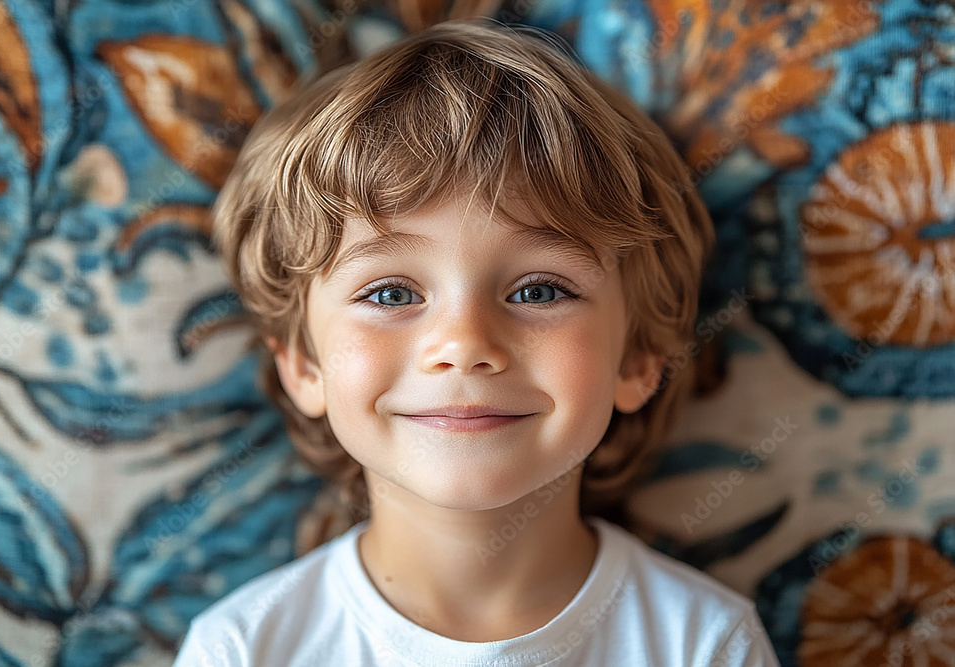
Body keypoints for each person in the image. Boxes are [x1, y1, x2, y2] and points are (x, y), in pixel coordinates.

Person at [174, 17, 780, 666]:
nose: (464, 344)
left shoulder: (704, 643)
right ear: (302, 362)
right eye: (391, 294)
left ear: (637, 357)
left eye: (540, 290)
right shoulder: (243, 646)